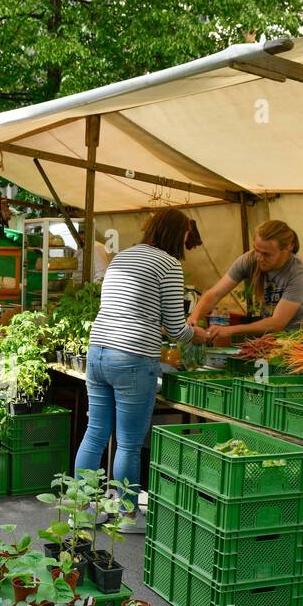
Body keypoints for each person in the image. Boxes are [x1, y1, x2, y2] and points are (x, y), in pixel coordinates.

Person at [72, 207, 208, 531]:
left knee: (96, 433)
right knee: (129, 443)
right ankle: (129, 515)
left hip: (98, 351)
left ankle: (82, 509)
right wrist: (197, 334)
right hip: (132, 358)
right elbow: (176, 328)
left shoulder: (125, 255)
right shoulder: (169, 264)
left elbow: (129, 307)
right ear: (178, 235)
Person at [187, 219, 303, 346]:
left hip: (297, 341)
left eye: (266, 254)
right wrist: (194, 318)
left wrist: (231, 330)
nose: (259, 258)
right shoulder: (249, 260)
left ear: (288, 248)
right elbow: (215, 293)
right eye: (256, 250)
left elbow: (278, 322)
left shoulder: (301, 272)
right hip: (268, 338)